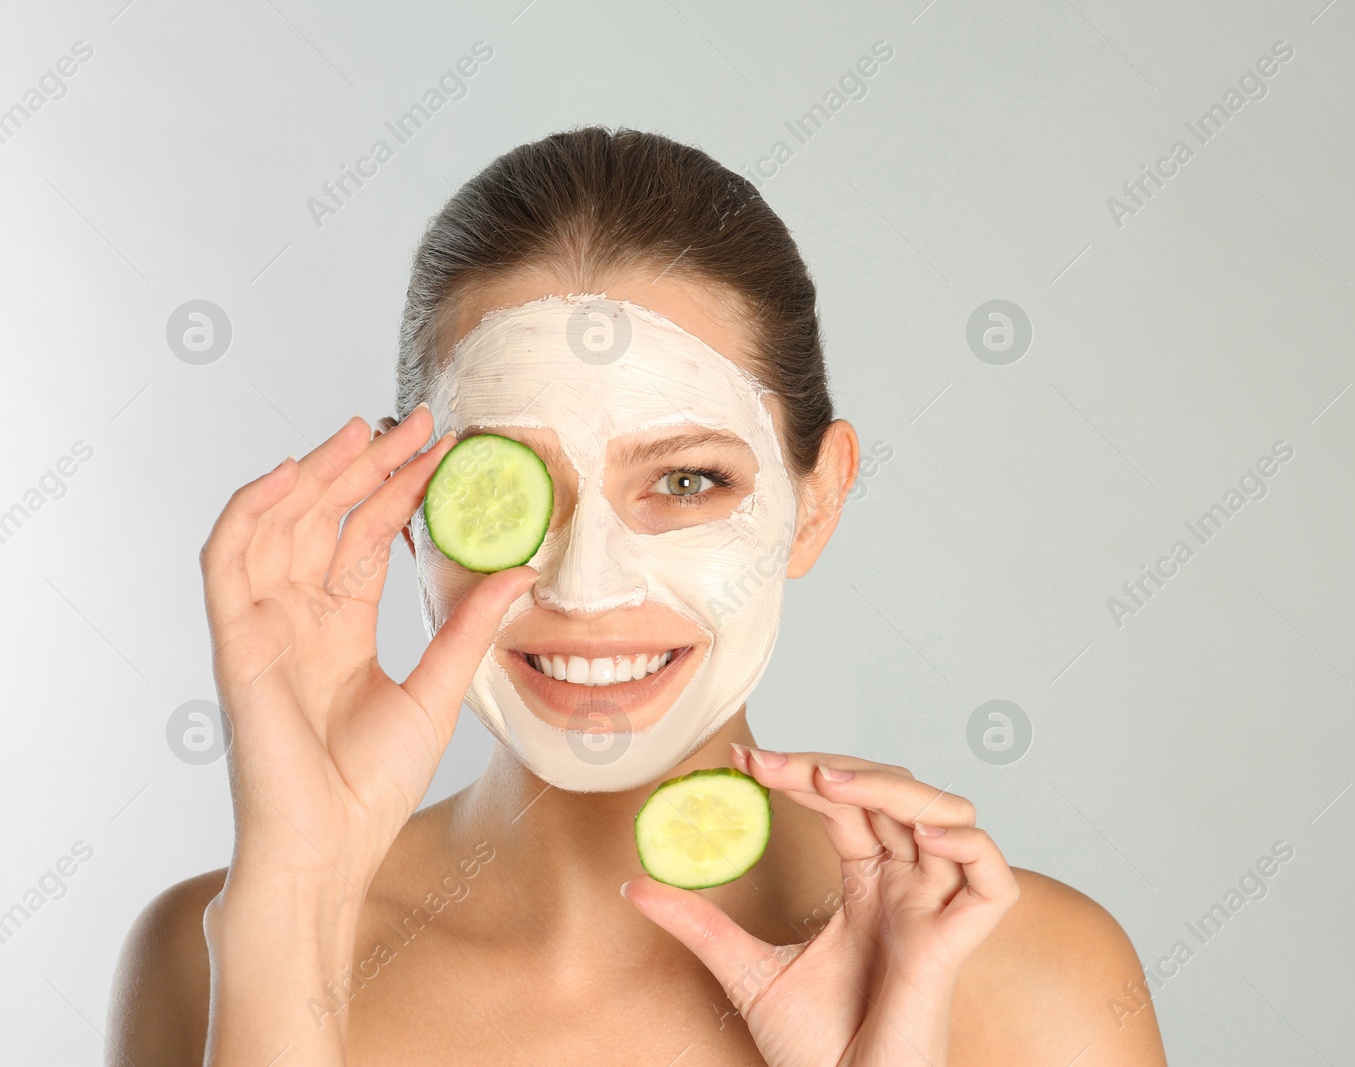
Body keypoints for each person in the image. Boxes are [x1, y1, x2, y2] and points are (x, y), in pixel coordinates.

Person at [108, 126, 1167, 1066]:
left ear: (816, 500)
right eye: (502, 489)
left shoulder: (1025, 981)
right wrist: (294, 896)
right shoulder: (215, 951)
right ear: (406, 508)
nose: (585, 582)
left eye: (686, 479)